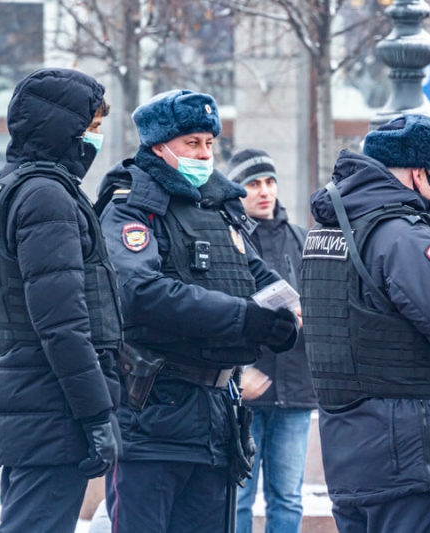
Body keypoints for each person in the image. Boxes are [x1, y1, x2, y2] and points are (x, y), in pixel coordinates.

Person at [301, 114, 430, 533]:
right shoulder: (401, 235)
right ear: (418, 174)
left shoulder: (328, 230)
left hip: (350, 456)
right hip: (412, 459)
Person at [96, 89, 298, 533]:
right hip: (152, 418)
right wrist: (244, 317)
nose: (204, 154)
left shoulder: (220, 207)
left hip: (215, 421)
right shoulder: (132, 207)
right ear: (158, 146)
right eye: (192, 143)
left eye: (209, 143)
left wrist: (283, 318)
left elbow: (256, 276)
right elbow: (139, 291)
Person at [0, 68, 123, 533]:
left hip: (33, 401)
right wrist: (95, 413)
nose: (95, 139)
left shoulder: (20, 186)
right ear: (61, 129)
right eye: (89, 128)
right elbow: (62, 322)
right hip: (52, 406)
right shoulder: (46, 196)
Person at [226, 149, 317, 533]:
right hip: (246, 390)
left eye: (269, 181)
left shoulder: (301, 238)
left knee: (288, 498)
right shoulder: (228, 239)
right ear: (238, 190)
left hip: (295, 391)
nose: (264, 191)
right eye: (253, 183)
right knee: (239, 497)